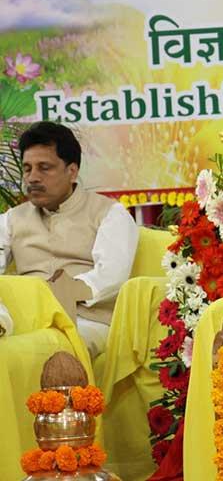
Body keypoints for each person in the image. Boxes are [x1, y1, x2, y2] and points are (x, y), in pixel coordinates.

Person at [0, 122, 138, 356]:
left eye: (44, 168)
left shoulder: (109, 214)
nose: (32, 177)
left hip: (86, 320)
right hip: (23, 319)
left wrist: (60, 292)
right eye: (27, 168)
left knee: (50, 348)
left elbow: (111, 276)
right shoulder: (12, 219)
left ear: (72, 171)